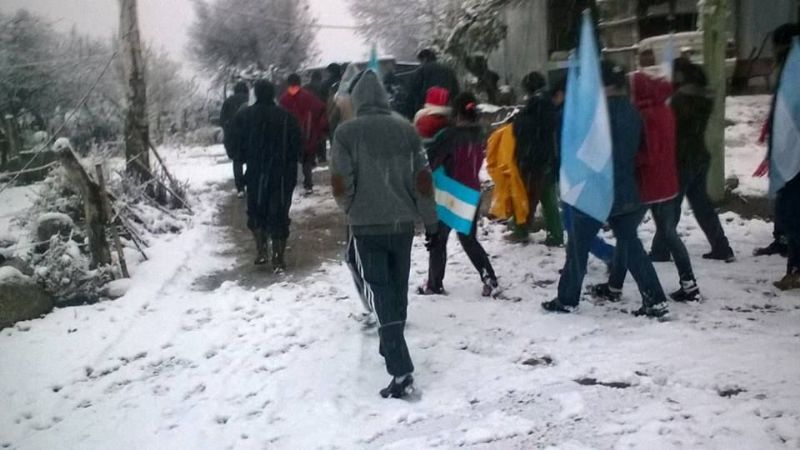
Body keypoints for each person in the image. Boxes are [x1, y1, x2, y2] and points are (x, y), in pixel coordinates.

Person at [330, 70, 438, 399]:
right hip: (402, 226)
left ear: (359, 100)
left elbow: (339, 181)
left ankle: (400, 367)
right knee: (396, 286)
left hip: (366, 227)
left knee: (378, 292)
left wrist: (352, 207)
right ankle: (394, 340)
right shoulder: (407, 130)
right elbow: (423, 179)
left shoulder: (346, 133)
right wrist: (430, 221)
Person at [542, 62, 669, 318]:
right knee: (631, 246)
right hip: (626, 187)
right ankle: (654, 298)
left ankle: (567, 298)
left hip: (596, 190)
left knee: (577, 245)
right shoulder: (633, 113)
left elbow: (586, 153)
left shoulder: (596, 115)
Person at [592, 57, 700, 303]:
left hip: (650, 184)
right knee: (630, 234)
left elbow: (646, 153)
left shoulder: (646, 114)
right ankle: (615, 286)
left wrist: (627, 160)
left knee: (644, 234)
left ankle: (687, 284)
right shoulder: (664, 109)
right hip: (667, 180)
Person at [651, 60, 735, 263]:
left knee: (670, 207)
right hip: (699, 156)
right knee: (702, 205)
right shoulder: (704, 97)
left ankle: (661, 250)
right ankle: (722, 246)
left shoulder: (680, 100)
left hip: (682, 160)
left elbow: (670, 130)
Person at [418, 92, 499, 297]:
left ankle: (434, 284)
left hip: (449, 193)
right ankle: (489, 277)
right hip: (471, 192)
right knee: (468, 238)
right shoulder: (479, 134)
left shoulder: (448, 136)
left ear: (456, 113)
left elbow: (431, 160)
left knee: (439, 239)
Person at [231, 80, 301, 270]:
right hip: (282, 173)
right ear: (273, 95)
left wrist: (244, 159)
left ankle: (261, 250)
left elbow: (235, 147)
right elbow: (297, 147)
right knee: (279, 212)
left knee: (256, 210)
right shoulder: (287, 117)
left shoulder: (244, 116)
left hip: (256, 171)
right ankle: (278, 256)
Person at [551, 76, 615, 265]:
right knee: (573, 225)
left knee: (573, 226)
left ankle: (610, 255)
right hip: (580, 175)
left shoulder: (566, 115)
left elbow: (565, 147)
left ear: (562, 94)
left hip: (574, 176)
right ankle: (576, 264)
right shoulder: (584, 112)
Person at [753, 23, 800, 258]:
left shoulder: (793, 68)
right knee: (786, 197)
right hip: (786, 142)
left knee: (790, 201)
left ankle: (793, 255)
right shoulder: (787, 66)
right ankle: (783, 240)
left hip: (793, 146)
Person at [512, 71, 563, 246]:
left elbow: (525, 127)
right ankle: (554, 234)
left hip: (535, 157)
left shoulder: (536, 104)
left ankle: (522, 230)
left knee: (528, 195)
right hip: (547, 156)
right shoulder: (548, 103)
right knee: (545, 196)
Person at [768, 23, 800, 290]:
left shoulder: (793, 75)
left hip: (795, 158)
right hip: (789, 154)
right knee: (789, 214)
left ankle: (797, 269)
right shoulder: (789, 73)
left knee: (792, 214)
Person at [279, 73, 327, 194]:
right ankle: (308, 183)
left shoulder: (284, 99)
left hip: (289, 134)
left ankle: (290, 182)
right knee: (306, 160)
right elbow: (320, 109)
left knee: (291, 160)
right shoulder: (307, 96)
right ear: (300, 83)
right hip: (307, 132)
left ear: (288, 84)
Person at [405, 48, 460, 119]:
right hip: (445, 110)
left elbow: (413, 92)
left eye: (420, 61)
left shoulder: (421, 71)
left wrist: (410, 114)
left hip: (426, 111)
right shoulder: (449, 70)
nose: (420, 64)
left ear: (424, 59)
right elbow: (456, 91)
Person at [220, 81, 249, 198]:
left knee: (237, 162)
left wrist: (228, 130)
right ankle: (246, 181)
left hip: (233, 137)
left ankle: (240, 188)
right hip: (249, 136)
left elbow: (222, 120)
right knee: (252, 161)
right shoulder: (250, 100)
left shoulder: (228, 102)